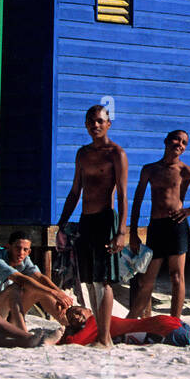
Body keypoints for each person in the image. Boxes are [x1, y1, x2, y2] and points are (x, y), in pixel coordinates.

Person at [129, 130, 190, 319]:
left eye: (184, 143)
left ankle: (174, 322)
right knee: (147, 279)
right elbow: (138, 200)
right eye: (176, 139)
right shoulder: (149, 169)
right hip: (156, 227)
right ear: (166, 141)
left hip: (176, 226)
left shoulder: (184, 170)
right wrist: (133, 231)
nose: (179, 144)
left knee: (177, 276)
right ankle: (132, 320)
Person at [56, 104, 129, 348]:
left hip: (106, 220)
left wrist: (122, 231)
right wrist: (62, 224)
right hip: (86, 220)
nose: (95, 125)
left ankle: (105, 337)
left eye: (100, 121)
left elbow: (122, 195)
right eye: (91, 121)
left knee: (103, 280)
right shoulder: (82, 154)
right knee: (89, 281)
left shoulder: (115, 153)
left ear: (108, 124)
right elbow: (75, 191)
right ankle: (100, 334)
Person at [47, 305, 190, 350]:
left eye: (78, 311)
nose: (76, 316)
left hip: (161, 328)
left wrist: (64, 333)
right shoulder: (94, 322)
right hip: (164, 321)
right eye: (71, 316)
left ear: (89, 310)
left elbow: (74, 343)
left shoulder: (94, 322)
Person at [0, 230, 75, 327]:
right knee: (14, 289)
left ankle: (69, 325)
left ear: (29, 252)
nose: (21, 253)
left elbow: (39, 277)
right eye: (17, 248)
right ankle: (21, 330)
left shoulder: (24, 259)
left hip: (8, 314)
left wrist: (60, 293)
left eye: (25, 250)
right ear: (8, 247)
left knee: (40, 290)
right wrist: (54, 293)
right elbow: (21, 279)